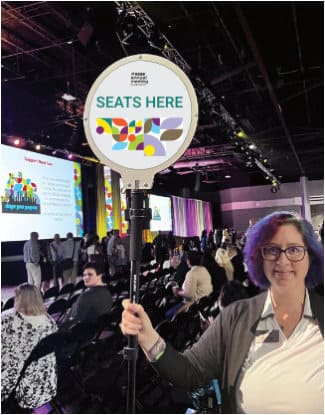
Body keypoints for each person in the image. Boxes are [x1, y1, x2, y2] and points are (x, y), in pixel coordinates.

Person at [121, 211, 324, 413]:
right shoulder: (236, 316)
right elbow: (191, 371)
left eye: (294, 250)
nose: (283, 260)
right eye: (271, 250)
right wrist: (148, 338)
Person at [1, 284, 57, 411]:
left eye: (16, 297)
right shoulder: (50, 321)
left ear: (20, 300)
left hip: (17, 378)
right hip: (42, 375)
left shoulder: (8, 321)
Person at [61, 262, 113, 327]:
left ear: (99, 275)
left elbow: (76, 320)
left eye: (90, 274)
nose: (86, 277)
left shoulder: (87, 295)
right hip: (99, 329)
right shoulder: (107, 290)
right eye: (84, 275)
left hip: (88, 331)